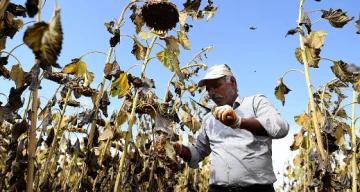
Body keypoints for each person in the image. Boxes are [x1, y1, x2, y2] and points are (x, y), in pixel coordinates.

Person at [173, 64, 290, 192]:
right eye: (208, 89)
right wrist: (177, 148)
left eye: (216, 86)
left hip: (257, 189)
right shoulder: (209, 119)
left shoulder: (255, 103)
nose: (212, 93)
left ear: (232, 82)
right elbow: (199, 152)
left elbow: (281, 127)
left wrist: (239, 122)